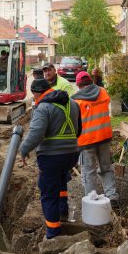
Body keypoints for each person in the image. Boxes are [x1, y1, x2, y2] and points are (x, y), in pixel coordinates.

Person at [19, 78, 82, 239]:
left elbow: (36, 133)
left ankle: (53, 232)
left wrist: (24, 149)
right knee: (61, 179)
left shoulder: (43, 107)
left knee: (48, 191)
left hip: (51, 157)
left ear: (36, 93)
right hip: (72, 155)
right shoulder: (73, 104)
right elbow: (79, 130)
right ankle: (62, 210)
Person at [71, 71, 119, 208]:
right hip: (104, 137)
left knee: (88, 172)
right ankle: (112, 196)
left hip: (86, 141)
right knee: (106, 168)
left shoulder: (75, 100)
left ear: (78, 84)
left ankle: (91, 202)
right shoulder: (103, 92)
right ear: (91, 81)